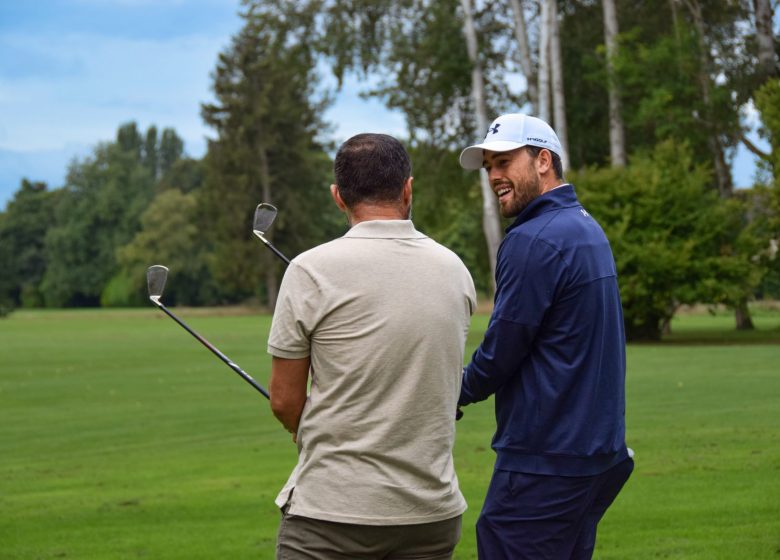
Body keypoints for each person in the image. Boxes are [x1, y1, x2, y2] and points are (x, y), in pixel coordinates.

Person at [267, 133, 477, 559]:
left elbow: (285, 400)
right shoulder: (455, 270)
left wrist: (301, 428)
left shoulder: (309, 270)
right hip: (431, 516)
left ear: (338, 197)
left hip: (331, 516)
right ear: (407, 188)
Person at [457, 113, 633, 560]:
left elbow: (502, 351)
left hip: (546, 460)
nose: (494, 176)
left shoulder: (533, 239)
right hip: (594, 455)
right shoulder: (584, 228)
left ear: (542, 160)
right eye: (489, 166)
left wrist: (451, 391)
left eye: (504, 162)